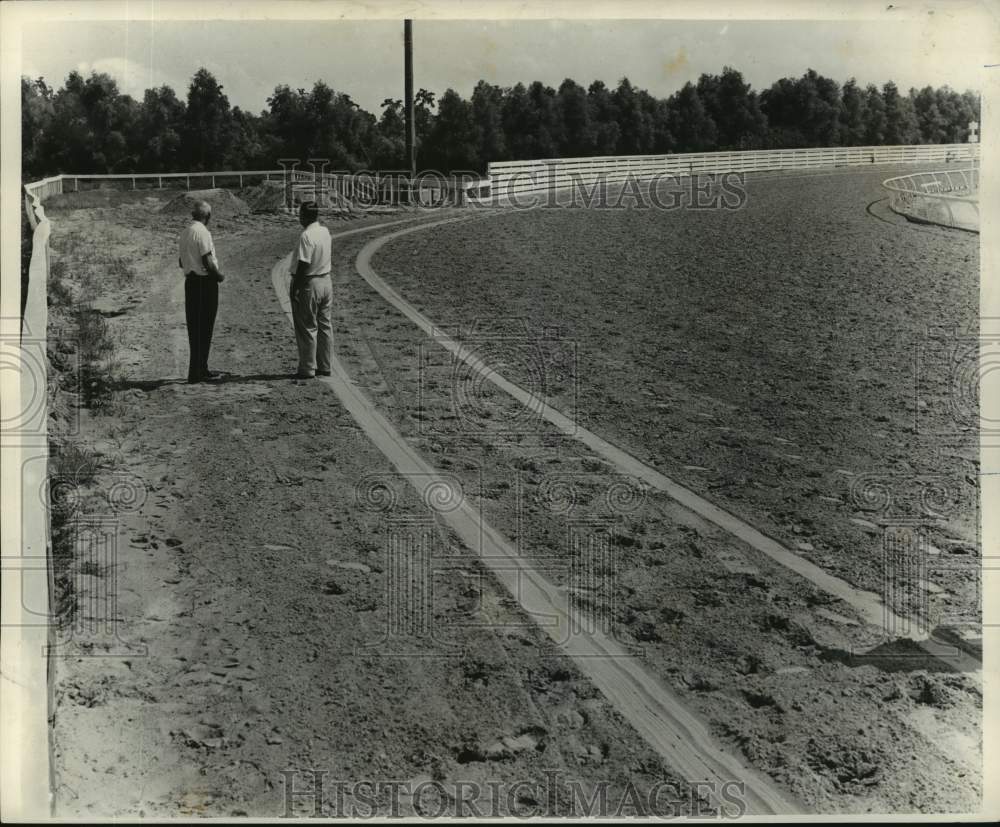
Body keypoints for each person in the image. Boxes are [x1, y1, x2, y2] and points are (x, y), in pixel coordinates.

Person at [178, 200, 225, 383]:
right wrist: (219, 276)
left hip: (190, 282)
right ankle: (200, 370)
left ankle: (196, 369)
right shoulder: (203, 233)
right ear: (208, 216)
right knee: (205, 327)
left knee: (194, 327)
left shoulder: (185, 232)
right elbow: (207, 261)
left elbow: (181, 262)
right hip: (205, 283)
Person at [289, 201, 333, 378]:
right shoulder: (325, 231)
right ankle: (325, 365)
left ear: (305, 216)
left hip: (310, 282)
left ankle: (307, 367)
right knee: (325, 325)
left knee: (306, 326)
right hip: (326, 280)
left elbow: (304, 264)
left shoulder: (306, 236)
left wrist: (296, 288)